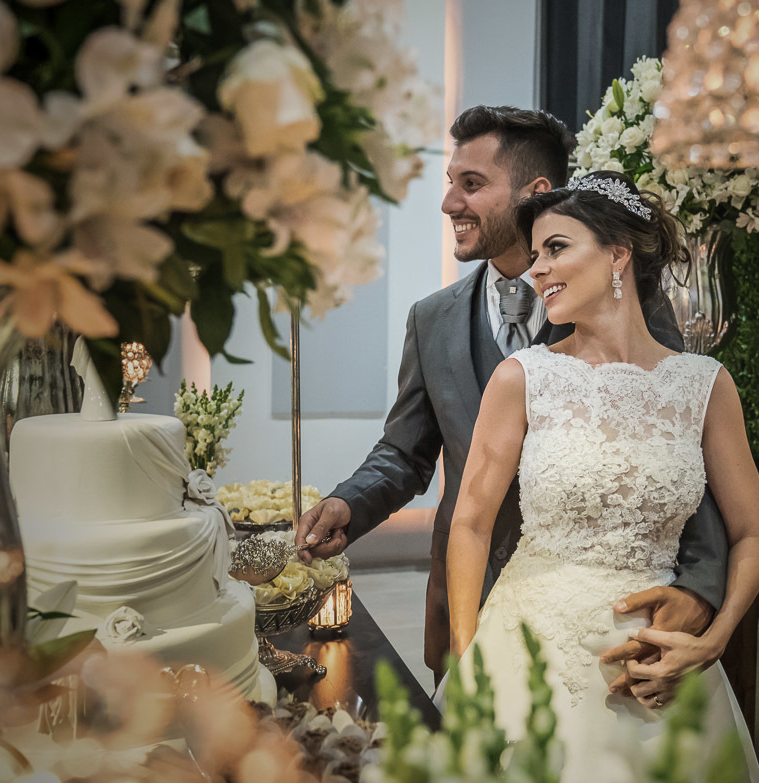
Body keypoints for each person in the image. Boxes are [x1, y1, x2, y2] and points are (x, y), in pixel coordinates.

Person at [296, 107, 730, 697]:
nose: (450, 203)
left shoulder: (627, 308)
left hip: (616, 624)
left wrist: (700, 589)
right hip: (468, 600)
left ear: (536, 192)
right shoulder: (433, 319)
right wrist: (350, 503)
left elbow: (675, 452)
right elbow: (405, 452)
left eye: (471, 184)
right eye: (451, 184)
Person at [446, 172, 759, 783]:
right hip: (529, 644)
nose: (538, 269)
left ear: (618, 252)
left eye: (557, 248)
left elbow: (752, 532)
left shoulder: (703, 384)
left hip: (660, 659)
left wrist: (716, 638)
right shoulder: (523, 377)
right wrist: (466, 658)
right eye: (535, 254)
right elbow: (471, 522)